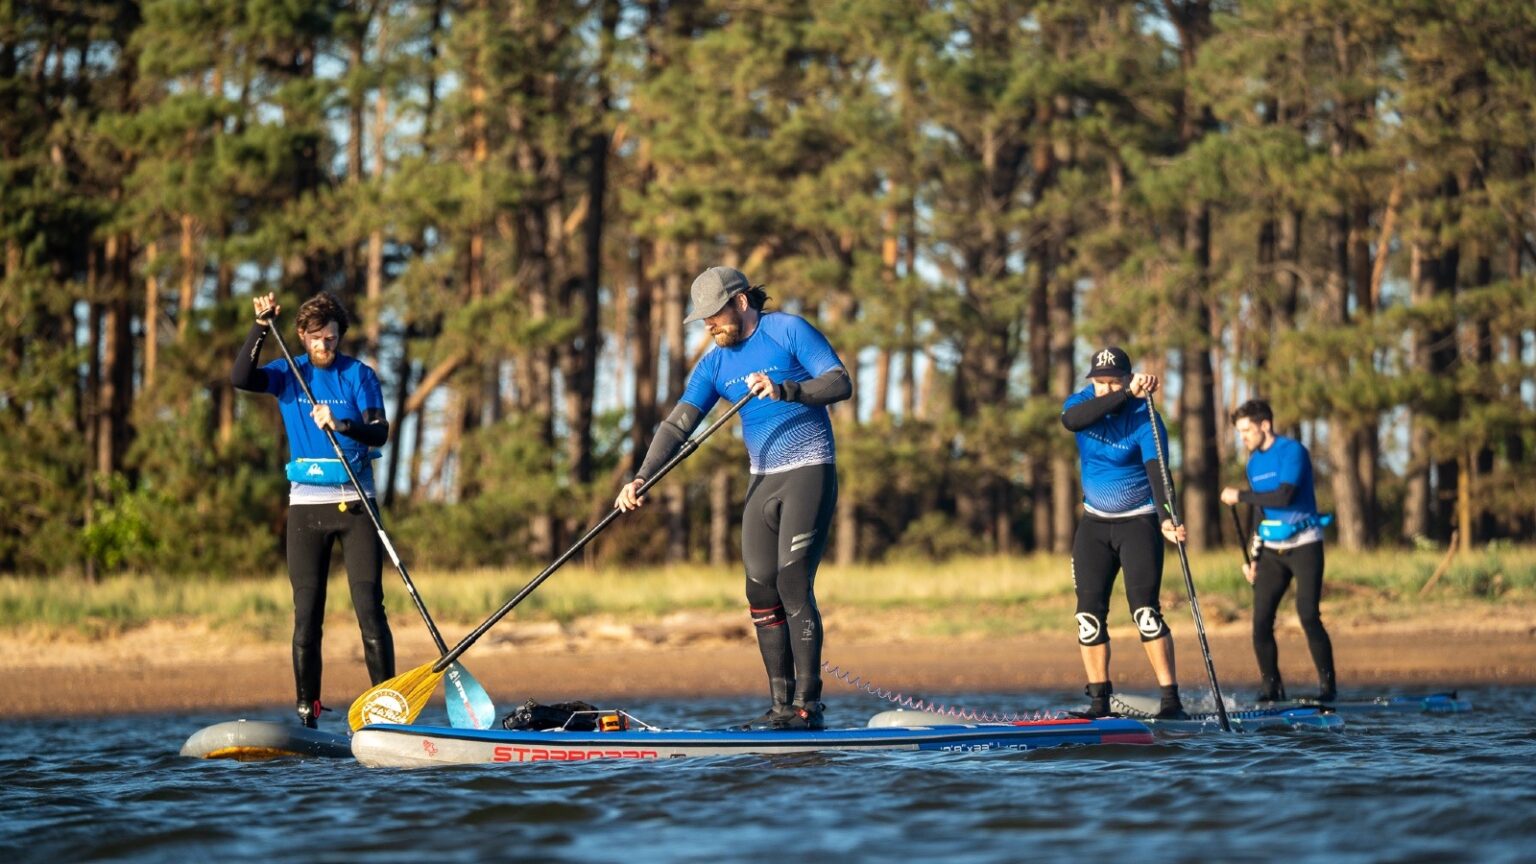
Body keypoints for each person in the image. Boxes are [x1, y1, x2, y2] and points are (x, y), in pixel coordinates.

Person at [616, 266, 850, 731]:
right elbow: (677, 425)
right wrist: (641, 477)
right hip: (762, 479)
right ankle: (781, 708)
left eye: (713, 315)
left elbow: (839, 382)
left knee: (791, 582)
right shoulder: (715, 364)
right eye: (701, 318)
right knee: (759, 591)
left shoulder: (788, 330)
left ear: (741, 302)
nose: (708, 325)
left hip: (809, 471)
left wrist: (787, 389)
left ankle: (808, 708)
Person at [232, 290, 395, 728]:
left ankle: (389, 712)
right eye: (318, 338)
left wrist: (342, 425)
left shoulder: (359, 375)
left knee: (370, 608)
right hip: (306, 507)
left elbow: (379, 433)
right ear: (302, 336)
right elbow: (241, 378)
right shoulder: (289, 373)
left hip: (357, 504)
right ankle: (309, 711)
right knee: (307, 616)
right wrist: (261, 327)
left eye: (333, 338)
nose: (326, 345)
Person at [1060, 346, 1189, 719]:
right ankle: (1099, 703)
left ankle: (1171, 702)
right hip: (1094, 524)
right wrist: (1124, 391)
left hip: (1138, 522)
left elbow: (1158, 472)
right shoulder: (1081, 402)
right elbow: (1072, 421)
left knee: (1145, 613)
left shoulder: (1145, 417)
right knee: (1088, 617)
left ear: (1127, 378)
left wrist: (1168, 516)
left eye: (1111, 382)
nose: (1103, 389)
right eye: (1099, 382)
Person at [1221, 399, 1337, 703]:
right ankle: (1271, 689)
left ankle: (1328, 689)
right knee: (1260, 623)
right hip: (1272, 550)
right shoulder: (1253, 463)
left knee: (1308, 615)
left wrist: (1240, 495)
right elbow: (1260, 513)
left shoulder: (1292, 452)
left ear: (1265, 425)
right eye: (1240, 432)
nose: (1243, 437)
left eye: (1246, 430)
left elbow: (1284, 497)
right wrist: (1254, 558)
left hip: (1305, 545)